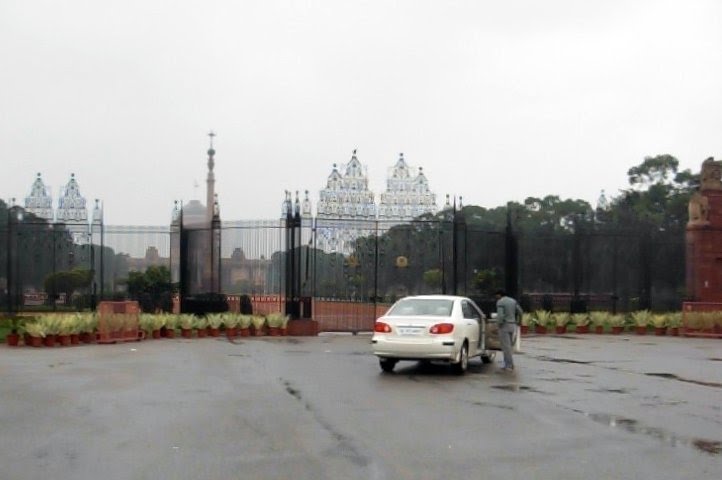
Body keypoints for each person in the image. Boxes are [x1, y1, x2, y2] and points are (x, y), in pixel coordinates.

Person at [495, 289, 523, 372]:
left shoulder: (500, 302)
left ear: (499, 295)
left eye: (496, 295)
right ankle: (508, 364)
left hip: (504, 325)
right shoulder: (513, 301)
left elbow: (500, 316)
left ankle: (509, 365)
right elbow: (520, 312)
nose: (496, 297)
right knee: (509, 346)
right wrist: (519, 321)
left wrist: (499, 324)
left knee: (506, 347)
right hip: (512, 325)